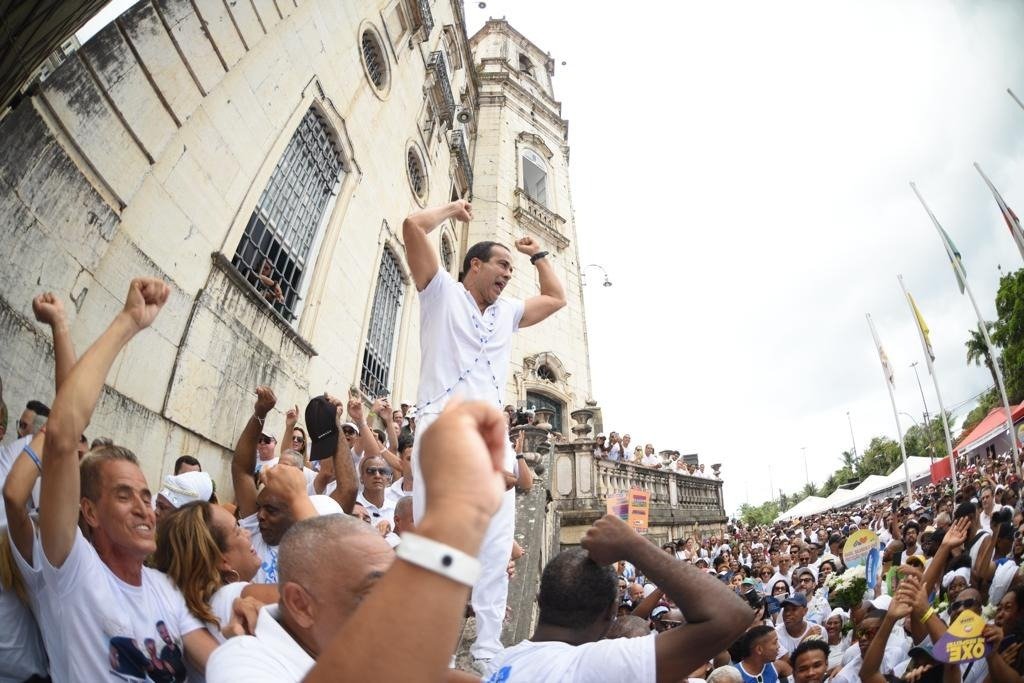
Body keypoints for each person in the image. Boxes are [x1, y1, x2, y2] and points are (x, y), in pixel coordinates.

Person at [208, 399, 511, 683]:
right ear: (301, 605)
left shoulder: (265, 607)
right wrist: (457, 515)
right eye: (370, 594)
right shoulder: (243, 661)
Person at [403, 199, 567, 670]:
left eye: (511, 269)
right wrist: (451, 211)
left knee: (495, 547)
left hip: (491, 439)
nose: (507, 274)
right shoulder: (440, 292)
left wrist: (539, 256)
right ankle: (430, 642)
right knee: (438, 539)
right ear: (474, 264)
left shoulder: (507, 312)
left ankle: (487, 651)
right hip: (442, 429)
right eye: (501, 264)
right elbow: (413, 226)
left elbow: (555, 298)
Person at [34, 278, 220, 680]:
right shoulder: (74, 571)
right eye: (123, 495)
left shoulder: (163, 589)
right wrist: (128, 321)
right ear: (90, 512)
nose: (144, 509)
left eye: (145, 495)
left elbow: (221, 662)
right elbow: (64, 435)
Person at [487, 513, 752, 681]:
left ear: (539, 600)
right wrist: (632, 545)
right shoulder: (594, 666)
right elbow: (733, 614)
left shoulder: (499, 664)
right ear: (611, 613)